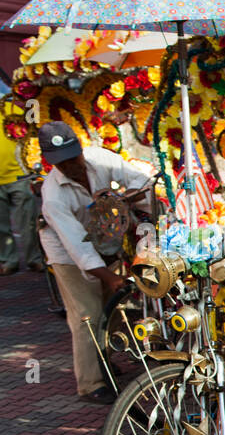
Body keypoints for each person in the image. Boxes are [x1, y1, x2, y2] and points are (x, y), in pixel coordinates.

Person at [38, 122, 153, 405]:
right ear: (52, 163)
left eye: (73, 157)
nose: (72, 166)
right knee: (86, 312)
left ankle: (105, 360)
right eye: (62, 163)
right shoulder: (52, 195)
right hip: (67, 252)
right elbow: (76, 244)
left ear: (80, 149)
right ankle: (90, 383)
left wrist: (124, 198)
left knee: (111, 308)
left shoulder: (99, 157)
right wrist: (108, 276)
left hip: (106, 236)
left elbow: (141, 179)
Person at [0, 73, 42, 275]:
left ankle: (34, 259)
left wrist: (27, 99)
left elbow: (33, 121)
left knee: (28, 221)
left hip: (18, 175)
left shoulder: (9, 107)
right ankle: (8, 262)